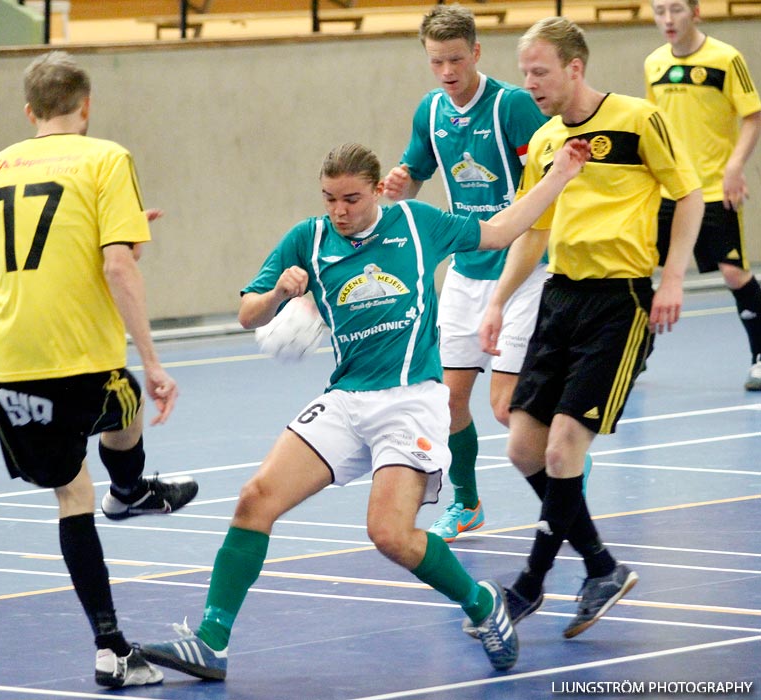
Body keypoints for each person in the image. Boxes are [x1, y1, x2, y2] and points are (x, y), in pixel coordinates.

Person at [140, 139, 591, 679]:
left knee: (390, 535)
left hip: (412, 402)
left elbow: (498, 230)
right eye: (329, 199)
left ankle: (481, 603)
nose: (340, 211)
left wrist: (559, 176)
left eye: (351, 198)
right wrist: (280, 294)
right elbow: (247, 315)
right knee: (254, 498)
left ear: (376, 190)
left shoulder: (418, 223)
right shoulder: (306, 238)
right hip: (346, 397)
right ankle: (211, 642)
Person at [0, 51, 199, 688]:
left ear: (29, 112)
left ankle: (109, 648)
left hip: (11, 355)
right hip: (80, 351)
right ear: (87, 105)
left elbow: (43, 253)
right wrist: (154, 359)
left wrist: (115, 233)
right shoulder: (106, 157)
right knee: (125, 400)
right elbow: (117, 267)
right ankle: (128, 493)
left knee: (70, 494)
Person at [480, 17, 703, 639]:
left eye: (540, 72)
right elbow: (536, 227)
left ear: (575, 68)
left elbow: (687, 195)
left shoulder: (637, 118)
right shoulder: (548, 141)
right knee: (523, 448)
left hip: (619, 301)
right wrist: (499, 300)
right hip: (559, 298)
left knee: (561, 449)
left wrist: (675, 278)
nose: (530, 84)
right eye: (524, 72)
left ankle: (528, 584)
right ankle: (601, 566)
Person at [383, 4, 554, 542]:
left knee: (506, 407)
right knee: (449, 401)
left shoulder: (513, 106)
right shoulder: (431, 112)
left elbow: (553, 185)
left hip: (523, 269)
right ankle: (467, 503)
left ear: (477, 52)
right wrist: (398, 187)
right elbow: (415, 173)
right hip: (465, 271)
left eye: (456, 59)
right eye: (437, 61)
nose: (448, 71)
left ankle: (562, 490)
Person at [645, 0, 761, 391]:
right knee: (636, 269)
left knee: (733, 273)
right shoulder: (654, 64)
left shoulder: (726, 59)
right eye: (659, 11)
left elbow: (753, 116)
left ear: (696, 12)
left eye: (675, 10)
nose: (667, 19)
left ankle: (760, 355)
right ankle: (633, 356)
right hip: (668, 190)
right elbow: (653, 126)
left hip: (712, 187)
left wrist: (734, 167)